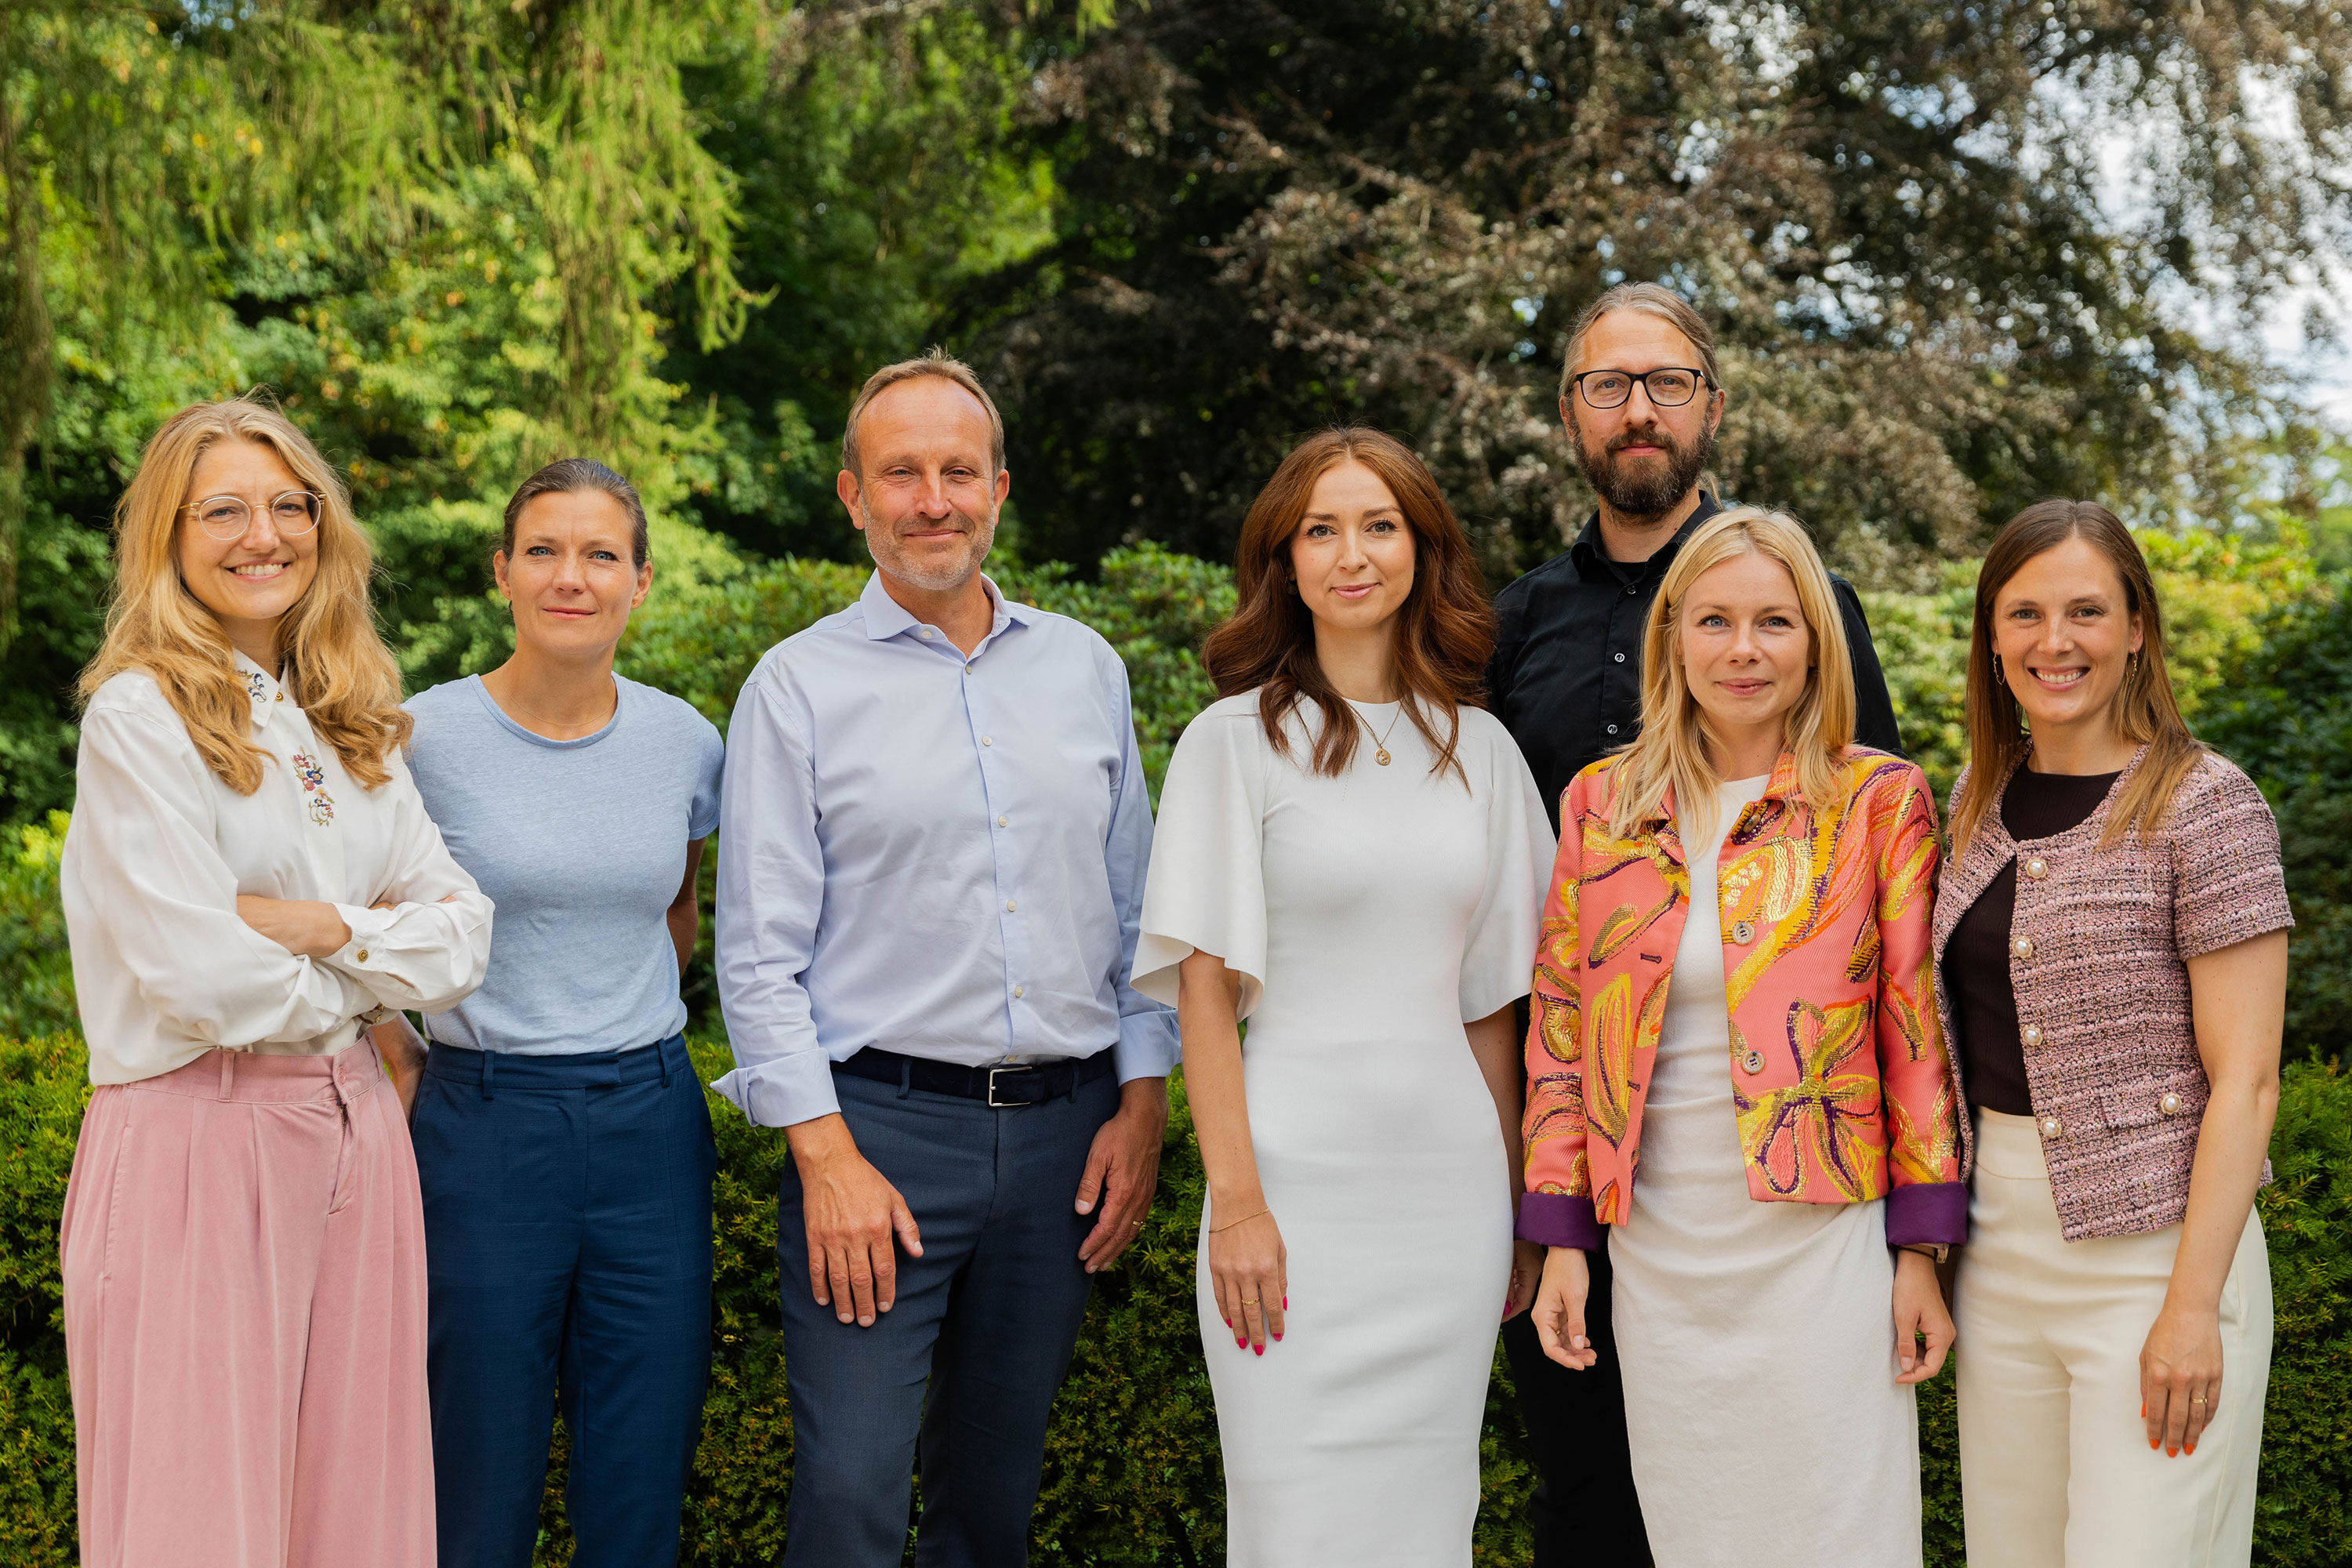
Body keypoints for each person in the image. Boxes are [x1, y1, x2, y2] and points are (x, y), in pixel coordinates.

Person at [712, 350, 1178, 1566]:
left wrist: (1142, 1103)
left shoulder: (1085, 669)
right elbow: (756, 957)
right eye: (901, 473)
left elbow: (1136, 915)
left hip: (1066, 1139)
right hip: (878, 1136)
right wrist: (826, 1159)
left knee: (992, 1498)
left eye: (958, 472)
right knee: (852, 1494)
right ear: (851, 496)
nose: (933, 500)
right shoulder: (796, 688)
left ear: (999, 490)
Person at [1485, 280, 1908, 1562]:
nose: (1640, 409)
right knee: (1587, 1489)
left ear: (1711, 406)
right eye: (1608, 385)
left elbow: (1879, 924)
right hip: (1592, 1146)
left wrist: (1922, 1228)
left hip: (1788, 1180)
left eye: (1666, 382)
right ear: (1570, 412)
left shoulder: (1808, 601)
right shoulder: (1511, 627)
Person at [56, 397, 492, 1567]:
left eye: (289, 505)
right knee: (197, 1525)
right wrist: (372, 973)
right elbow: (201, 977)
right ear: (168, 536)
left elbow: (463, 939)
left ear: (323, 524)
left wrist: (312, 928)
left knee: (360, 1518)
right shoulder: (140, 717)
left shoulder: (351, 720)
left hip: (359, 1133)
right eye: (224, 511)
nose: (264, 535)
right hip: (197, 1137)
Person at [1133, 429, 1552, 1564]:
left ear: (1423, 550)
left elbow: (1490, 1007)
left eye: (1379, 526)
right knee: (1292, 1519)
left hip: (1450, 1202)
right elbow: (1203, 997)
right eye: (1320, 530)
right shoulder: (1230, 743)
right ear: (1284, 559)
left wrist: (1519, 1202)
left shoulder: (1483, 752)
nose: (1351, 554)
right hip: (1291, 1193)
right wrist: (1238, 1205)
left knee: (1431, 1518)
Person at [1520, 506, 1966, 1566]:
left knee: (1843, 1533)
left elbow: (1913, 1027)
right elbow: (1563, 1030)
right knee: (1697, 1535)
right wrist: (1562, 1238)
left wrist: (1922, 1250)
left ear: (1815, 641)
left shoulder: (1878, 800)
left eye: (1775, 622)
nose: (1743, 650)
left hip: (1822, 1246)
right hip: (1660, 1249)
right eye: (1714, 621)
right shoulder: (1600, 806)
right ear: (1674, 638)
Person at [1933, 501, 2288, 1566]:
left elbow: (2249, 1081)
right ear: (1993, 637)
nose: (2056, 641)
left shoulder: (2207, 805)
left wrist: (2191, 1309)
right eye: (2026, 613)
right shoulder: (1973, 799)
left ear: (2138, 628)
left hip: (2157, 1260)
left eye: (2087, 611)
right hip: (1997, 1259)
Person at [394, 459, 725, 1567]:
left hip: (650, 1123)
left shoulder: (686, 742)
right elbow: (364, 921)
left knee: (641, 1471)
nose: (569, 577)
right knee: (475, 1472)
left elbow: (674, 907)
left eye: (600, 555)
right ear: (503, 573)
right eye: (543, 551)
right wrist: (405, 1063)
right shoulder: (422, 739)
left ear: (641, 580)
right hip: (483, 1124)